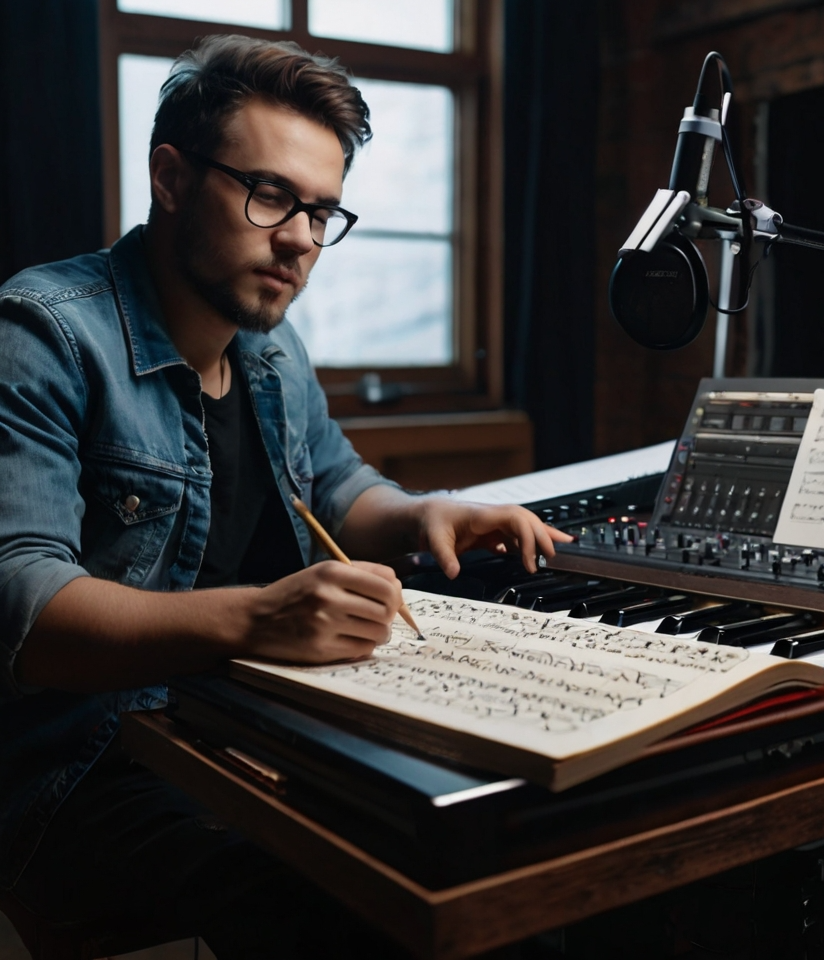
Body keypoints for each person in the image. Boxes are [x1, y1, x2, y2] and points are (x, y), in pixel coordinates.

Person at [0, 34, 569, 957]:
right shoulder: (44, 334)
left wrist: (425, 512)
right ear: (172, 178)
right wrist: (256, 620)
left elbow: (340, 489)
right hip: (86, 765)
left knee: (501, 850)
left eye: (322, 212)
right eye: (271, 196)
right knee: (345, 906)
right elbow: (24, 606)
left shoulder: (268, 347)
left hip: (257, 726)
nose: (302, 239)